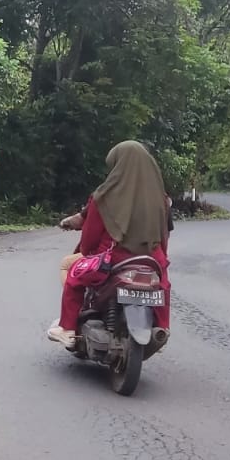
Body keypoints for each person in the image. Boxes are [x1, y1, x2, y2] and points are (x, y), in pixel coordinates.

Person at [47, 140, 172, 348]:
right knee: (162, 285)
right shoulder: (162, 199)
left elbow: (88, 243)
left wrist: (87, 254)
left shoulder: (103, 197)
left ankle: (67, 328)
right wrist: (159, 260)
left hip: (114, 258)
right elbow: (164, 236)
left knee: (73, 274)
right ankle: (162, 328)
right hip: (152, 259)